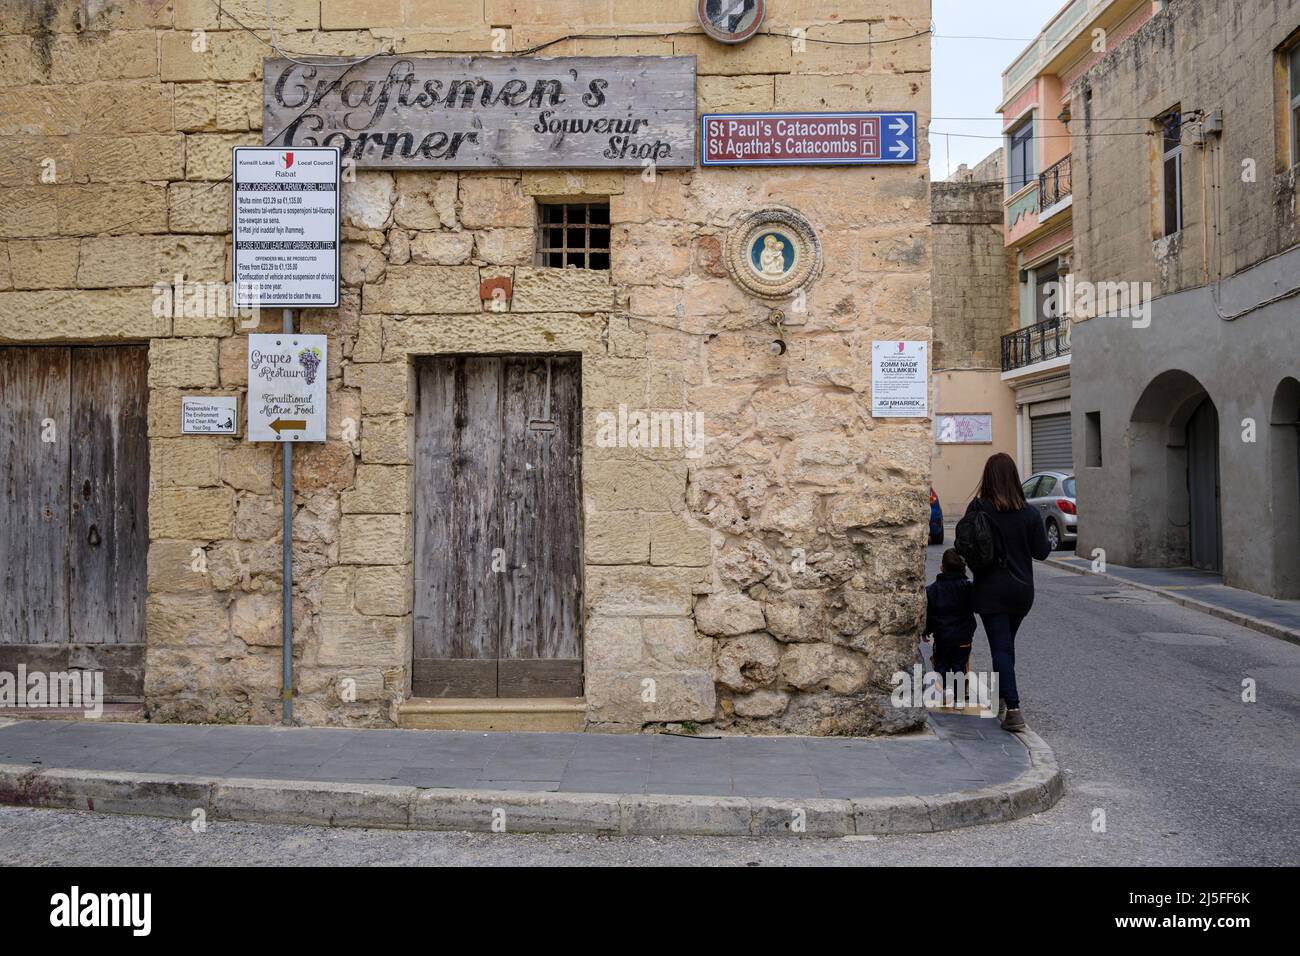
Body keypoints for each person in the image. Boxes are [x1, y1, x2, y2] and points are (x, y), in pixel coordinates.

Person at [964, 453, 1050, 732]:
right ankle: (1001, 701)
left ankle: (1013, 709)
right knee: (1006, 646)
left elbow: (965, 546)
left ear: (987, 478)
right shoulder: (1029, 513)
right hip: (1022, 591)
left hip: (990, 589)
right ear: (1014, 478)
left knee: (1000, 647)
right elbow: (1042, 552)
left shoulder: (978, 509)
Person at [923, 549, 976, 687]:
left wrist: (926, 630)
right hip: (963, 636)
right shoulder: (969, 588)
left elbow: (929, 613)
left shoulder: (932, 590)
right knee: (961, 665)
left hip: (942, 636)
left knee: (941, 664)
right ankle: (960, 694)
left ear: (941, 568)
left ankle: (945, 690)